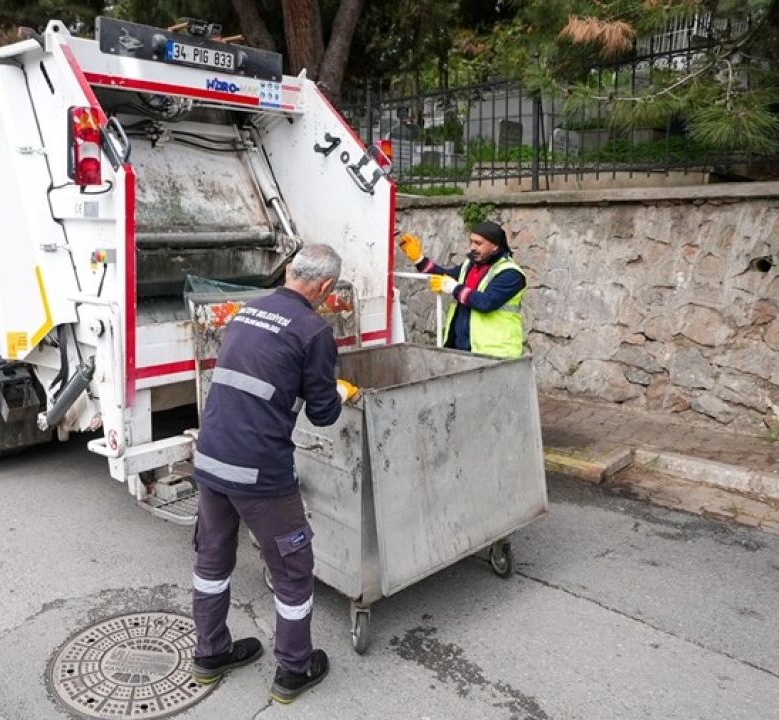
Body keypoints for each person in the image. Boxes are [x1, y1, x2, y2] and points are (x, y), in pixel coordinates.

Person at [189, 243, 360, 704]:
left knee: (212, 561)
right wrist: (339, 391)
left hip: (210, 456)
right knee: (293, 568)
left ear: (289, 270)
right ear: (324, 287)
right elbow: (322, 415)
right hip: (259, 472)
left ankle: (210, 655)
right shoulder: (313, 330)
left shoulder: (245, 312)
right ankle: (293, 669)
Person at [399, 220, 527, 358]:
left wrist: (453, 288)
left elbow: (485, 303)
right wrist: (419, 259)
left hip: (496, 353)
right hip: (463, 350)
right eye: (471, 242)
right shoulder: (470, 265)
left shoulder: (511, 274)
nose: (472, 247)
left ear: (495, 246)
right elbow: (443, 276)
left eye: (478, 243)